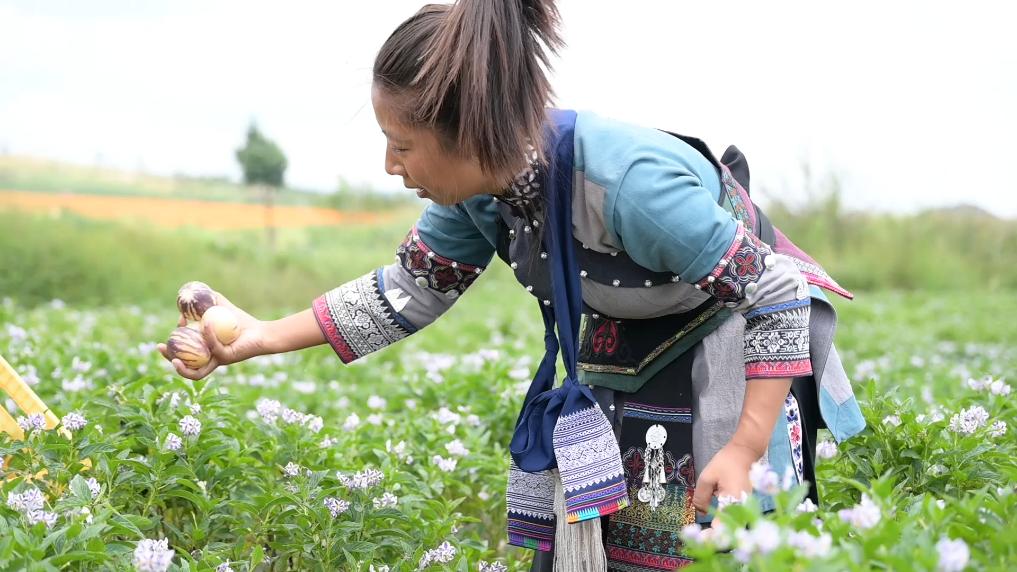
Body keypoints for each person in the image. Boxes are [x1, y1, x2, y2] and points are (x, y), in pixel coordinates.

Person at [158, 1, 867, 569]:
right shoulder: (478, 192)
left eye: (401, 145)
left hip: (735, 335)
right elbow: (408, 291)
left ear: (469, 131)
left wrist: (744, 446)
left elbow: (774, 291)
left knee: (713, 538)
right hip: (634, 339)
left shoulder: (628, 185)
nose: (390, 167)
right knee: (627, 536)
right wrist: (256, 338)